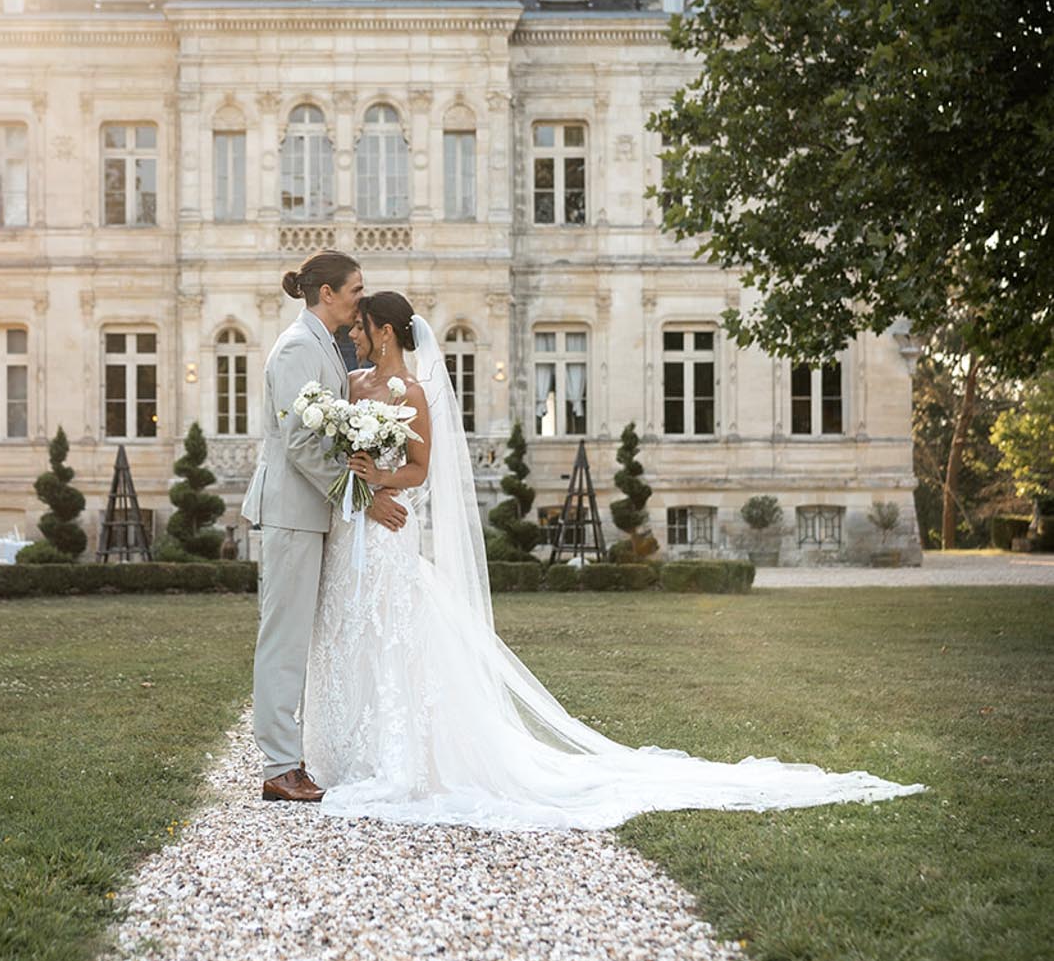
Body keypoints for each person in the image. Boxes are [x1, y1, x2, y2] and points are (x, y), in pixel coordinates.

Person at [301, 293, 928, 830]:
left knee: (395, 636)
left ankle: (400, 755)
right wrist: (357, 480)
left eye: (359, 327)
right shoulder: (352, 385)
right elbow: (334, 453)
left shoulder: (412, 390)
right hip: (356, 526)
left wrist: (379, 480)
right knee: (354, 630)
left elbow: (419, 468)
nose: (351, 335)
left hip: (387, 526)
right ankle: (353, 751)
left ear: (383, 331)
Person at [240, 252, 406, 804]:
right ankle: (280, 765)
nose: (362, 296)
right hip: (292, 512)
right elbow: (302, 442)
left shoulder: (325, 348)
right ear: (328, 294)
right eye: (356, 289)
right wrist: (362, 497)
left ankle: (299, 754)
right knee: (283, 638)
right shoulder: (295, 349)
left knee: (309, 639)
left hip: (314, 515)